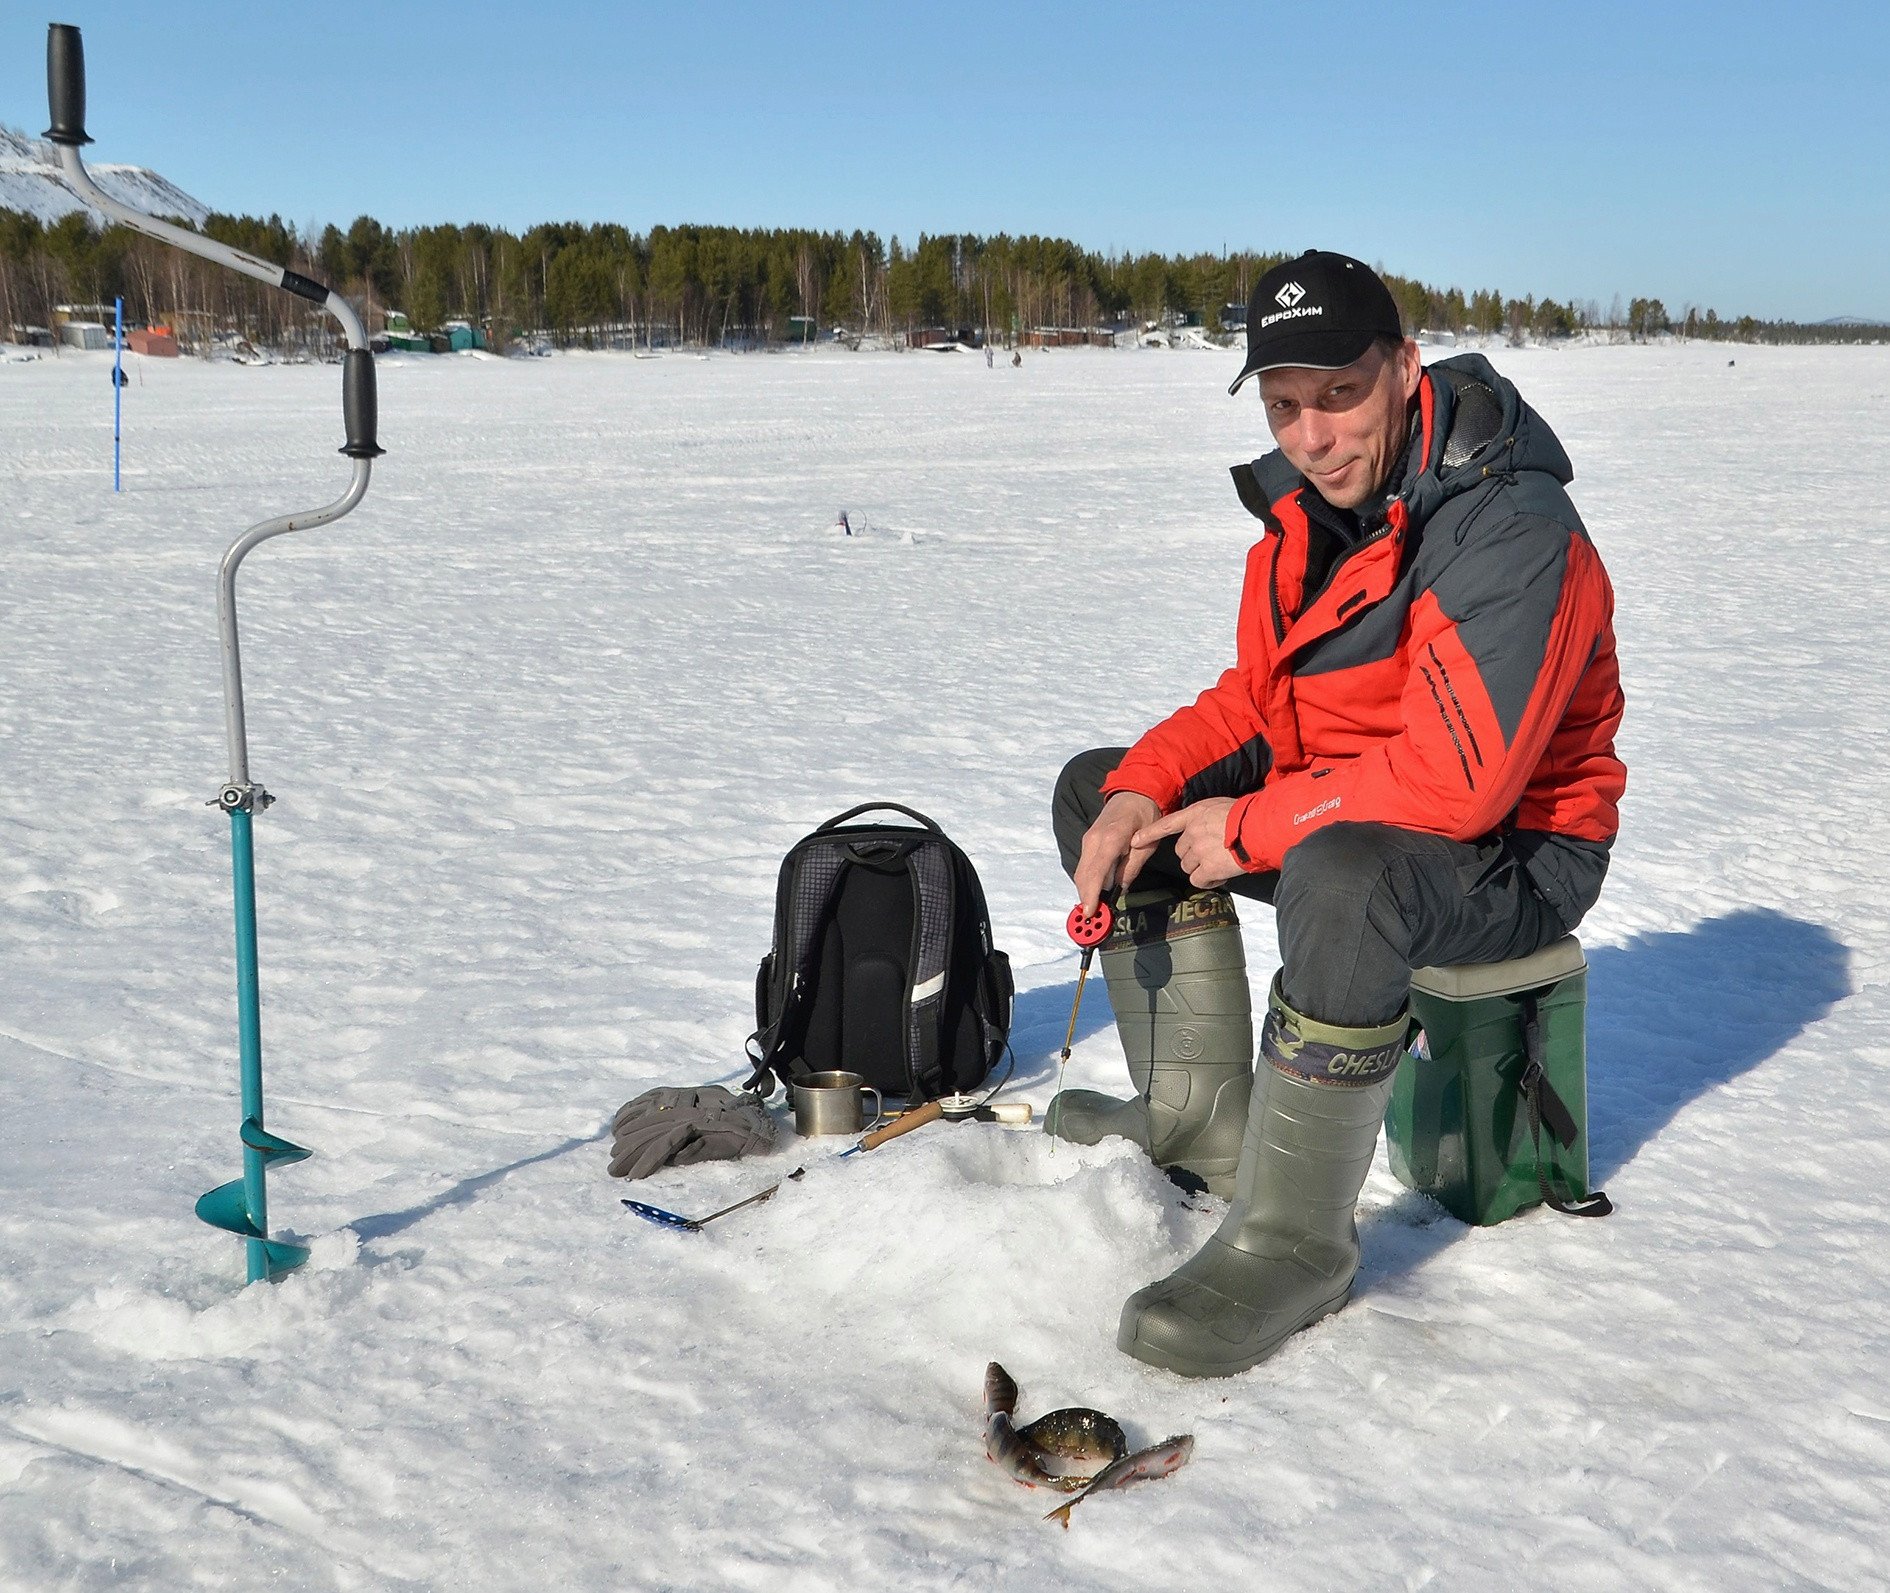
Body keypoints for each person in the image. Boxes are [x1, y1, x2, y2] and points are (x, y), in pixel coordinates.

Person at [1049, 250, 1625, 1378]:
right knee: (1103, 789)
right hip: (1365, 800)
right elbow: (1255, 706)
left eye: (1338, 395)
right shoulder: (1307, 520)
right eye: (1283, 405)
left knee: (1341, 875)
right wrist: (1141, 792)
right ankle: (1200, 1110)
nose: (1310, 436)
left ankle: (1293, 1236)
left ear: (1404, 370)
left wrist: (1258, 827)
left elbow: (1465, 780)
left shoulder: (1511, 527)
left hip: (1520, 852)